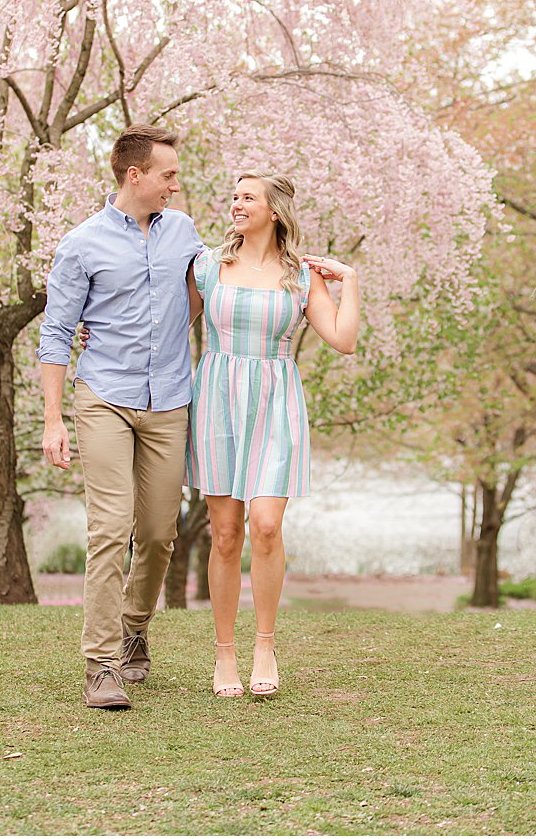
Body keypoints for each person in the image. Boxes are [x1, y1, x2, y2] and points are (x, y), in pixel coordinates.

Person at [38, 124, 205, 710]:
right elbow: (57, 333)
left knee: (160, 534)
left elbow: (206, 283)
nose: (174, 187)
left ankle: (135, 626)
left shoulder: (182, 231)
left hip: (170, 401)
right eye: (168, 176)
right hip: (105, 395)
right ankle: (101, 663)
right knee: (111, 527)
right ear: (135, 175)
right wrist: (53, 418)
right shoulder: (80, 244)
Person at [186, 172, 358, 698]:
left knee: (264, 526)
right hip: (217, 398)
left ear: (275, 211)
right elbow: (165, 323)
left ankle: (265, 643)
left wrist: (350, 280)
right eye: (234, 196)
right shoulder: (209, 266)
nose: (235, 204)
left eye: (247, 198)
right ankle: (224, 653)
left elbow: (343, 340)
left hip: (275, 400)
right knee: (225, 533)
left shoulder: (302, 277)